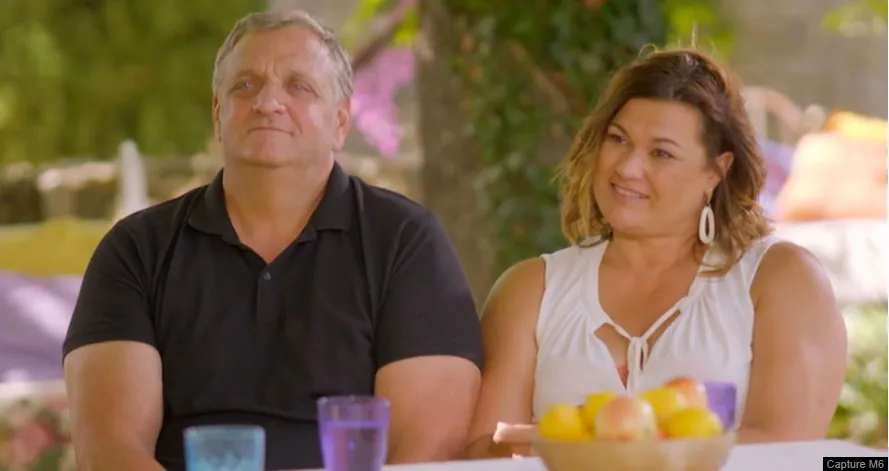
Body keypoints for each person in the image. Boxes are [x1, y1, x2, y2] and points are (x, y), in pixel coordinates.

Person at [62, 9, 483, 471]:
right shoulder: (136, 250)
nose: (267, 102)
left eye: (299, 86)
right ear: (218, 114)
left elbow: (428, 447)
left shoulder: (406, 242)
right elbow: (110, 451)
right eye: (245, 85)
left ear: (341, 121)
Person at [463, 48, 847, 459]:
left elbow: (788, 452)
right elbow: (481, 455)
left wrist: (590, 447)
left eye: (661, 153)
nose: (627, 168)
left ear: (716, 171)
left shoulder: (781, 279)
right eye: (617, 139)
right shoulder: (529, 290)